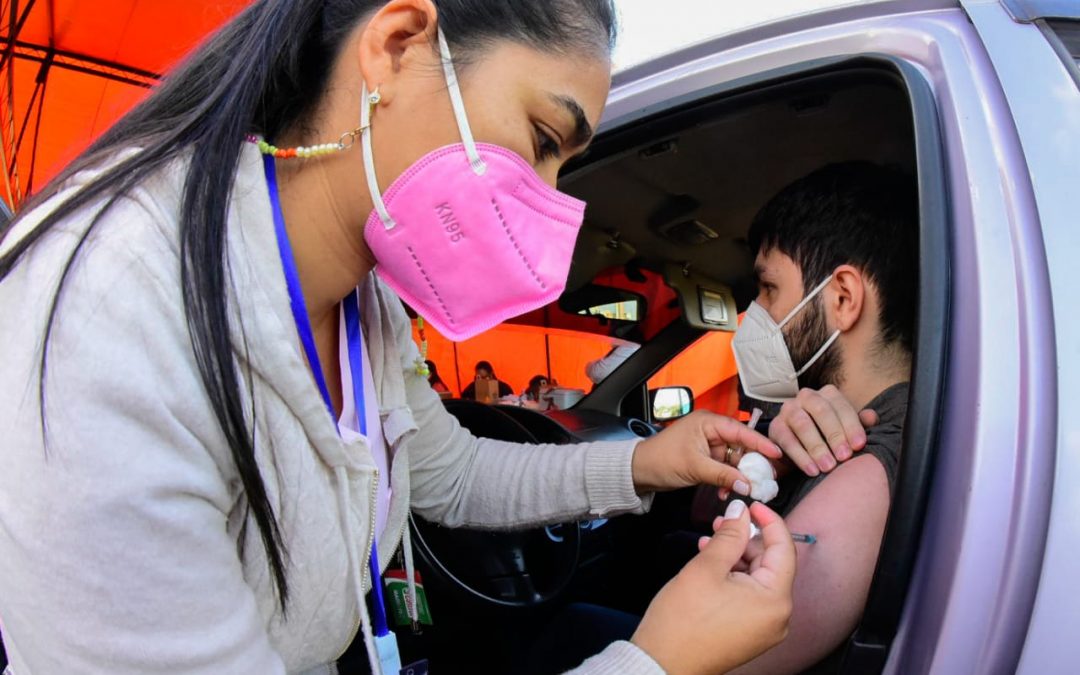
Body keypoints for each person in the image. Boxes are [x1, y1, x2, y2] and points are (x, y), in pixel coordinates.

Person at [0, 2, 797, 674]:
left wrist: (646, 461)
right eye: (544, 139)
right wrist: (651, 661)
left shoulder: (366, 304)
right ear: (398, 45)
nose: (548, 201)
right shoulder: (115, 307)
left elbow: (446, 473)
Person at [724, 161, 918, 673]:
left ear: (843, 298)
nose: (754, 315)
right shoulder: (857, 422)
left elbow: (719, 653)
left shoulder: (875, 463)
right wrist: (767, 453)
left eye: (768, 289)